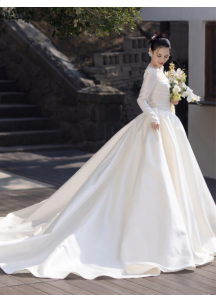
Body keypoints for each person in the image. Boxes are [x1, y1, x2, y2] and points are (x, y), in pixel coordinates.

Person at [0, 32, 215, 281]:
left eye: (166, 57)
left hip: (169, 126)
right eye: (159, 55)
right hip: (155, 127)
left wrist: (172, 100)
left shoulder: (162, 72)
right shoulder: (150, 72)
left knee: (176, 175)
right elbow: (141, 99)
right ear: (150, 52)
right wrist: (154, 117)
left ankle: (181, 232)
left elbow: (163, 98)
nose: (163, 60)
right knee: (151, 175)